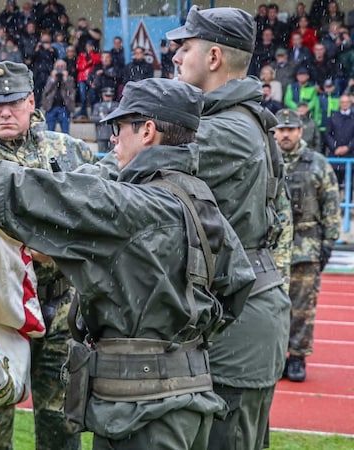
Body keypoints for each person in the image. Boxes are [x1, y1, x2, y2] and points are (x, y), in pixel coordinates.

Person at [0, 77, 255, 450]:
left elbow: (22, 190)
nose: (113, 140)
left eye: (118, 128)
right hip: (190, 394)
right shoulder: (197, 199)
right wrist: (178, 336)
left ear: (147, 131)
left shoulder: (127, 205)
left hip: (138, 407)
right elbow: (237, 282)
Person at [167, 7, 293, 450]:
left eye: (185, 49)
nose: (176, 58)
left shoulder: (228, 131)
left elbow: (136, 167)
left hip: (238, 323)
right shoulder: (238, 121)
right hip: (233, 313)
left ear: (214, 56)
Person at [0, 60, 94, 450]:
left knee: (61, 427)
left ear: (32, 101)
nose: (5, 112)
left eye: (14, 102)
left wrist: (57, 250)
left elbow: (103, 217)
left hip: (60, 310)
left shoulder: (71, 152)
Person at [273, 108, 339, 383]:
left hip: (306, 248)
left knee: (302, 308)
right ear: (274, 133)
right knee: (273, 308)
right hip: (273, 250)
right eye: (281, 129)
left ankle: (297, 357)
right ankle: (275, 358)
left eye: (291, 129)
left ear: (301, 131)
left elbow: (331, 204)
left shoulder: (317, 163)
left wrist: (329, 243)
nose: (285, 134)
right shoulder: (267, 161)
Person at [322, 94, 354, 185]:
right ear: (339, 103)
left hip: (350, 154)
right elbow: (327, 134)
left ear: (350, 103)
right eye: (342, 102)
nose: (344, 104)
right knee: (334, 183)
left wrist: (348, 147)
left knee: (349, 184)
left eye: (346, 102)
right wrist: (335, 147)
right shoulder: (333, 117)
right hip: (335, 154)